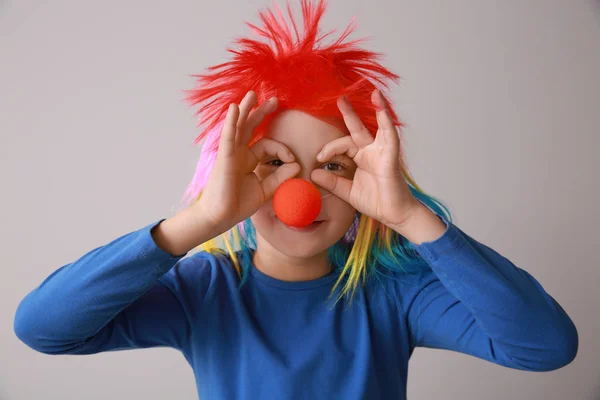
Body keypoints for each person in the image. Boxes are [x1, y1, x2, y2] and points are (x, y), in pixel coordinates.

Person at [14, 1, 578, 399]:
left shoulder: (393, 293)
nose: (302, 195)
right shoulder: (204, 292)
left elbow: (544, 347)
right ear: (230, 178)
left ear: (366, 187)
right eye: (272, 166)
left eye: (333, 166)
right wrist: (200, 221)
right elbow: (43, 328)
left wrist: (410, 216)